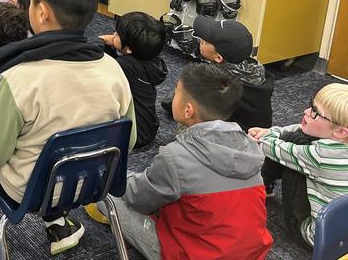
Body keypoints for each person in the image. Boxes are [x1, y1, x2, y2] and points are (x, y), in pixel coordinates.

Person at [0, 0, 137, 260]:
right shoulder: (114, 70)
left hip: (31, 190)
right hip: (94, 182)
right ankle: (58, 224)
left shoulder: (21, 78)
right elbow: (129, 140)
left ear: (41, 13)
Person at [93, 64, 273, 260]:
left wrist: (119, 177)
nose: (173, 95)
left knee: (108, 194)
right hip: (251, 253)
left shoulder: (176, 157)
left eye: (176, 91)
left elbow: (137, 198)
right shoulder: (251, 147)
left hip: (193, 254)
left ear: (188, 110)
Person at [248, 83, 348, 249]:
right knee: (299, 136)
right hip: (343, 236)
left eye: (315, 112)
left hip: (318, 239)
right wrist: (270, 132)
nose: (306, 111)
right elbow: (299, 129)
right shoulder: (339, 142)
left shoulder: (321, 157)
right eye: (310, 104)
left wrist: (261, 138)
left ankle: (259, 187)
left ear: (340, 132)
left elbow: (278, 150)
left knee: (290, 147)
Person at [161, 16, 273, 131]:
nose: (200, 41)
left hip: (230, 136)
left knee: (185, 122)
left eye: (204, 41)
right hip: (260, 132)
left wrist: (175, 103)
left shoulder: (214, 79)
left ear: (219, 58)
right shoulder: (256, 68)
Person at [99, 12, 168, 148]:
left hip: (133, 135)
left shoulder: (126, 66)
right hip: (149, 127)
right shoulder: (152, 62)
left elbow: (98, 60)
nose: (113, 34)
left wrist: (100, 41)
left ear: (129, 49)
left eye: (117, 34)